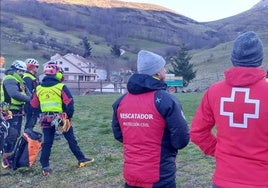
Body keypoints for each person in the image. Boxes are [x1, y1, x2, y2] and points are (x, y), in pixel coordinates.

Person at [190, 31, 268, 187]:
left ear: (233, 58)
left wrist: (219, 151)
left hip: (223, 179)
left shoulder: (214, 91)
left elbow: (197, 132)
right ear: (260, 59)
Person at [112, 50, 189, 188]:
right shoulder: (166, 100)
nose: (165, 70)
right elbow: (181, 139)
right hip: (160, 176)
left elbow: (119, 134)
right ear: (158, 73)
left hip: (131, 175)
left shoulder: (121, 102)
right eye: (163, 67)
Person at [30, 63, 94, 176]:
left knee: (47, 143)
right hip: (60, 119)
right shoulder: (60, 87)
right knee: (70, 139)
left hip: (45, 119)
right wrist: (68, 117)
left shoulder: (38, 88)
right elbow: (69, 103)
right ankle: (81, 159)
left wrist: (40, 113)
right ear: (57, 73)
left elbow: (33, 105)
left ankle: (45, 167)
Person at [1, 60, 31, 168]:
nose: (22, 73)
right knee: (11, 134)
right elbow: (14, 94)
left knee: (16, 133)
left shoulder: (21, 81)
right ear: (15, 70)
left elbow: (29, 94)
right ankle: (6, 158)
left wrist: (33, 99)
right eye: (20, 71)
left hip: (17, 110)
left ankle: (9, 156)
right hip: (9, 110)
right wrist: (30, 100)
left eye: (23, 71)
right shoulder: (9, 79)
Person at [23, 58, 40, 130]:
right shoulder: (27, 77)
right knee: (30, 121)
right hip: (30, 103)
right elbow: (28, 92)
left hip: (32, 102)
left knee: (32, 120)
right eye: (36, 66)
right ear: (31, 67)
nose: (37, 68)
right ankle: (27, 136)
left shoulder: (31, 77)